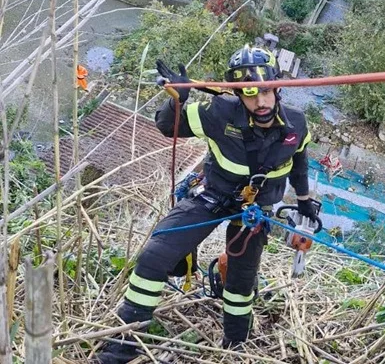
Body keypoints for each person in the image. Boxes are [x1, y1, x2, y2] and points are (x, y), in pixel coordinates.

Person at [95, 46, 317, 363]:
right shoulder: (219, 113)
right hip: (213, 196)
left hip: (253, 212)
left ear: (277, 86)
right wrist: (179, 99)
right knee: (153, 258)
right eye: (251, 94)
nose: (261, 102)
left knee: (239, 286)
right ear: (239, 95)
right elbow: (167, 125)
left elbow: (300, 165)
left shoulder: (296, 124)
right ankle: (123, 347)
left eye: (267, 91)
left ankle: (235, 344)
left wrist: (305, 202)